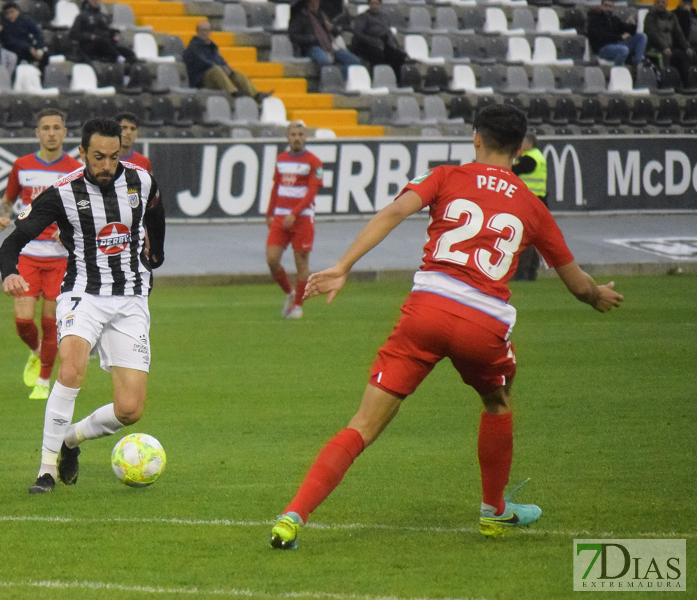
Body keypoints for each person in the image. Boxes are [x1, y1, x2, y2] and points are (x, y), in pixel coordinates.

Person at [267, 105, 624, 550]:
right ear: (519, 149)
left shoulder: (447, 177)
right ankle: (494, 512)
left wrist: (343, 266)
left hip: (426, 312)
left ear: (477, 138)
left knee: (363, 423)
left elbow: (394, 213)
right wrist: (597, 296)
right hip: (484, 323)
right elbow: (576, 283)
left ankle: (292, 515)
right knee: (497, 400)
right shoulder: (532, 207)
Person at [0, 117, 166, 495]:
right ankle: (46, 471)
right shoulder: (62, 193)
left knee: (129, 410)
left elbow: (155, 212)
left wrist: (157, 250)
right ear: (82, 154)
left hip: (131, 299)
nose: (106, 165)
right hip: (83, 294)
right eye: (97, 157)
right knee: (71, 368)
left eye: (113, 156)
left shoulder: (142, 180)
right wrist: (9, 272)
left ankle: (70, 441)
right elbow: (13, 241)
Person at [0, 108, 84, 401]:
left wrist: (68, 231)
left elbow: (82, 210)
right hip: (28, 254)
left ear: (65, 132)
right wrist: (3, 216)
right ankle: (36, 353)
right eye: (45, 127)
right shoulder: (22, 165)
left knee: (50, 323)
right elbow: (8, 201)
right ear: (37, 132)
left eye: (57, 127)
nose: (51, 133)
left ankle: (44, 380)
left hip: (60, 258)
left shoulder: (75, 168)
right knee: (23, 321)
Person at [265, 121, 322, 320]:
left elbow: (312, 192)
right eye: (293, 134)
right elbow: (276, 187)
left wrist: (295, 213)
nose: (297, 138)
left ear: (305, 137)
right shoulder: (281, 159)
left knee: (301, 262)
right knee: (272, 259)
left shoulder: (314, 162)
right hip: (281, 216)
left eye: (300, 134)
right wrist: (269, 212)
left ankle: (297, 305)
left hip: (302, 218)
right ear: (288, 137)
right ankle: (290, 294)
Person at [183, 20, 272, 101]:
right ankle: (234, 92)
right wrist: (221, 68)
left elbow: (219, 60)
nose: (205, 33)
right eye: (203, 30)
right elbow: (203, 62)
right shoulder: (193, 48)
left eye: (207, 30)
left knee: (236, 73)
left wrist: (227, 68)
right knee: (216, 70)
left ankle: (256, 94)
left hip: (216, 76)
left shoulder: (212, 47)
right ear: (197, 31)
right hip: (201, 80)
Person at [510, 131, 548, 282]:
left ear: (530, 144)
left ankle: (522, 273)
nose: (521, 146)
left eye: (523, 143)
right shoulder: (538, 156)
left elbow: (514, 170)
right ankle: (531, 272)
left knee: (523, 238)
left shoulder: (530, 158)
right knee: (532, 239)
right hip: (538, 201)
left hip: (529, 202)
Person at [287, 0, 361, 70]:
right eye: (311, 2)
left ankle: (340, 78)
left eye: (316, 2)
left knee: (354, 61)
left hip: (330, 47)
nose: (314, 4)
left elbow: (336, 33)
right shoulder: (299, 17)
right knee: (324, 62)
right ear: (306, 3)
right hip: (311, 47)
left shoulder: (323, 16)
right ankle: (329, 78)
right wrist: (311, 39)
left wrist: (332, 28)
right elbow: (293, 36)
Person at [348, 0, 408, 79]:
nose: (374, 6)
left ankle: (397, 79)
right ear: (369, 4)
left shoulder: (384, 17)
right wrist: (373, 41)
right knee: (378, 55)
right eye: (372, 4)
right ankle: (379, 78)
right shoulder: (363, 17)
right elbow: (358, 33)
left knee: (398, 56)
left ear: (380, 5)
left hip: (382, 42)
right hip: (366, 44)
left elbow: (388, 32)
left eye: (377, 4)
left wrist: (396, 46)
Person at [69, 0, 137, 65]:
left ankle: (134, 62)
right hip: (90, 46)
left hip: (104, 45)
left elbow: (106, 31)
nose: (97, 2)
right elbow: (73, 34)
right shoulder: (82, 16)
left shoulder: (102, 16)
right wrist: (90, 36)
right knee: (103, 40)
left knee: (123, 48)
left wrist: (112, 34)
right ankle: (118, 57)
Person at [644, 0, 693, 84]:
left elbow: (679, 34)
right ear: (654, 4)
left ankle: (686, 84)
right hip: (654, 48)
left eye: (662, 2)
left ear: (667, 4)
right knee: (664, 56)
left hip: (669, 47)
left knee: (683, 55)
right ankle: (666, 83)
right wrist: (664, 47)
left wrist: (687, 47)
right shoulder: (650, 17)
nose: (660, 4)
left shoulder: (672, 16)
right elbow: (652, 34)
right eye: (658, 2)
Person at [587, 0, 647, 67]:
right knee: (623, 50)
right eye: (605, 5)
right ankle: (617, 71)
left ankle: (638, 63)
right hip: (603, 48)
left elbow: (626, 29)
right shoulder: (595, 19)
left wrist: (632, 25)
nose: (608, 8)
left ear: (613, 8)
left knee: (641, 36)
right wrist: (620, 37)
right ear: (601, 6)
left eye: (610, 6)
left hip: (617, 44)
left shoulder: (614, 19)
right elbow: (601, 36)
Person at [0, 2, 47, 67]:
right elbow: (10, 41)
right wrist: (29, 48)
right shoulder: (4, 25)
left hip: (31, 47)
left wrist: (39, 49)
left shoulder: (26, 20)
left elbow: (37, 33)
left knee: (45, 55)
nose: (10, 15)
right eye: (7, 13)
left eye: (12, 12)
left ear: (17, 11)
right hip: (17, 49)